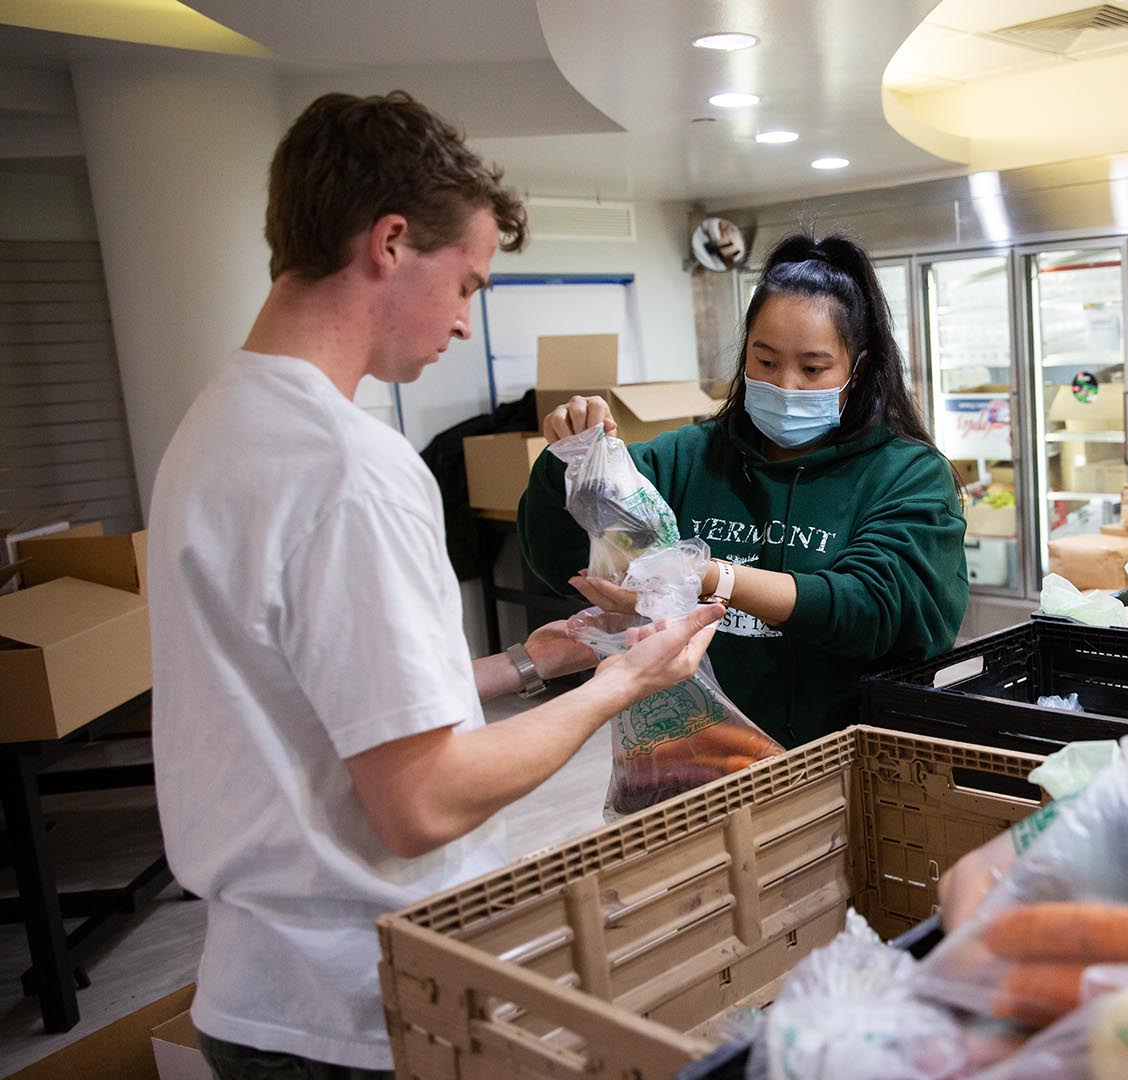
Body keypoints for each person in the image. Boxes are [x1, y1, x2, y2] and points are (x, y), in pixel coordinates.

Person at [147, 91, 724, 1078]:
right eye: (466, 284)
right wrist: (621, 686)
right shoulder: (352, 466)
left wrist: (517, 666)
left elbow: (307, 700)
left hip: (256, 993)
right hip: (355, 1012)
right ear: (391, 242)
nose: (465, 325)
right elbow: (421, 803)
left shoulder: (213, 426)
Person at [520, 233, 969, 749]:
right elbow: (568, 559)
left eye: (814, 368)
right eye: (766, 361)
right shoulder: (687, 458)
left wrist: (708, 575)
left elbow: (874, 606)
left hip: (846, 761)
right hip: (697, 760)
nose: (786, 386)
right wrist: (573, 463)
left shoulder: (905, 474)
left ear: (858, 367)